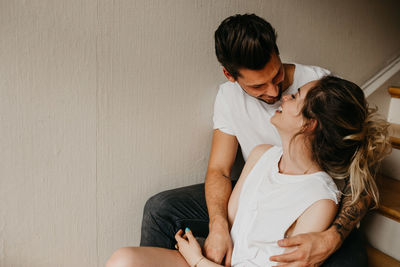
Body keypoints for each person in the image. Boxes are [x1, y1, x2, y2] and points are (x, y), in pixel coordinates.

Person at [139, 14, 375, 266]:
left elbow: (364, 173)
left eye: (277, 77)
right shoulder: (229, 98)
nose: (275, 92)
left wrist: (333, 236)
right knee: (160, 208)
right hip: (259, 185)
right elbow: (218, 170)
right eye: (258, 86)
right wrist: (218, 226)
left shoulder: (319, 86)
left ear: (277, 53)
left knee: (350, 261)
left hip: (315, 209)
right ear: (230, 76)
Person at [106, 76, 390, 266]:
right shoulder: (261, 155)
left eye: (297, 96)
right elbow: (232, 234)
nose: (285, 96)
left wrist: (197, 261)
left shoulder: (320, 200)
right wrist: (211, 243)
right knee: (124, 259)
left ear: (309, 124)